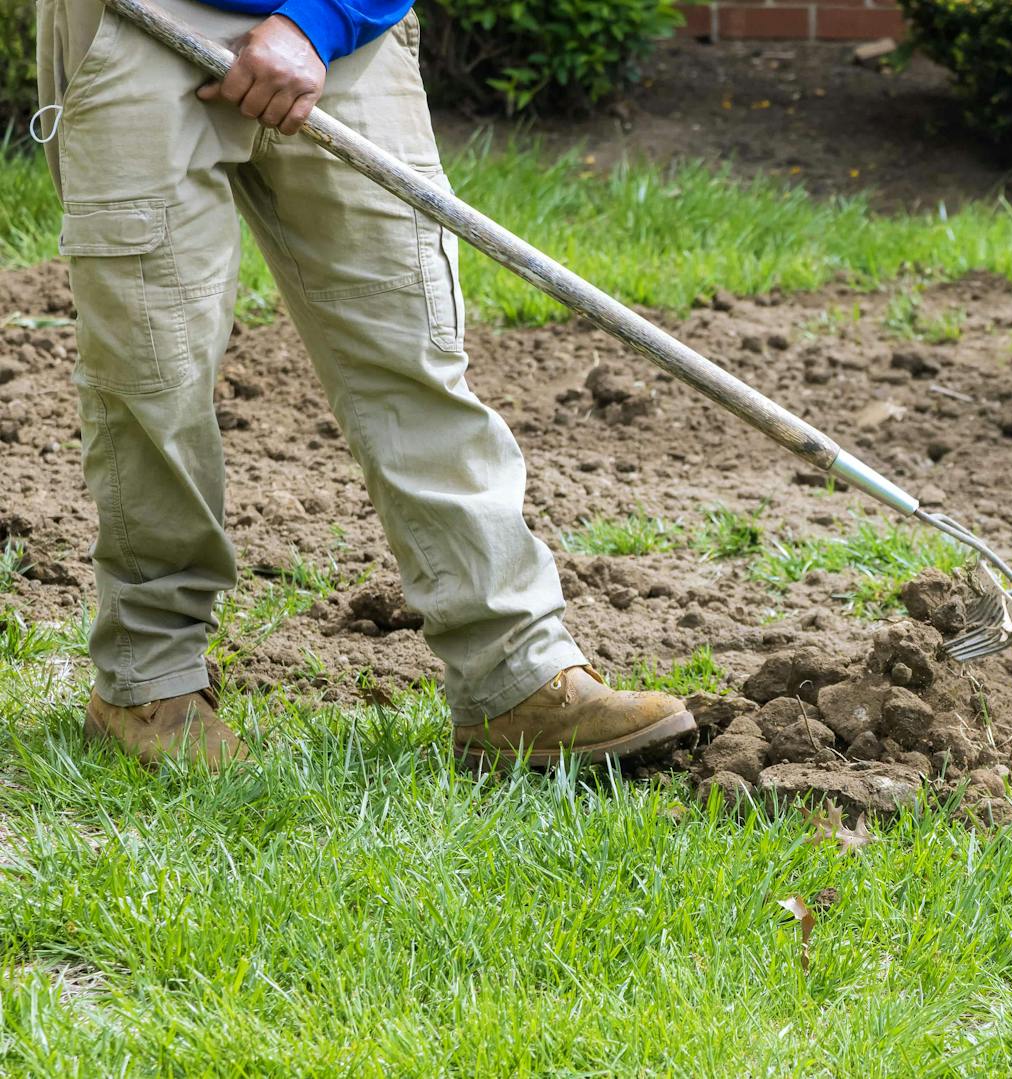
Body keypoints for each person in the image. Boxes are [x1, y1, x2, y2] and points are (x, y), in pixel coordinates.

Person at [34, 0, 693, 770]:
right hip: (134, 18)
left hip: (348, 35)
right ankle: (150, 681)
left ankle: (517, 677)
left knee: (411, 354)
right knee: (154, 373)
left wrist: (323, 20)